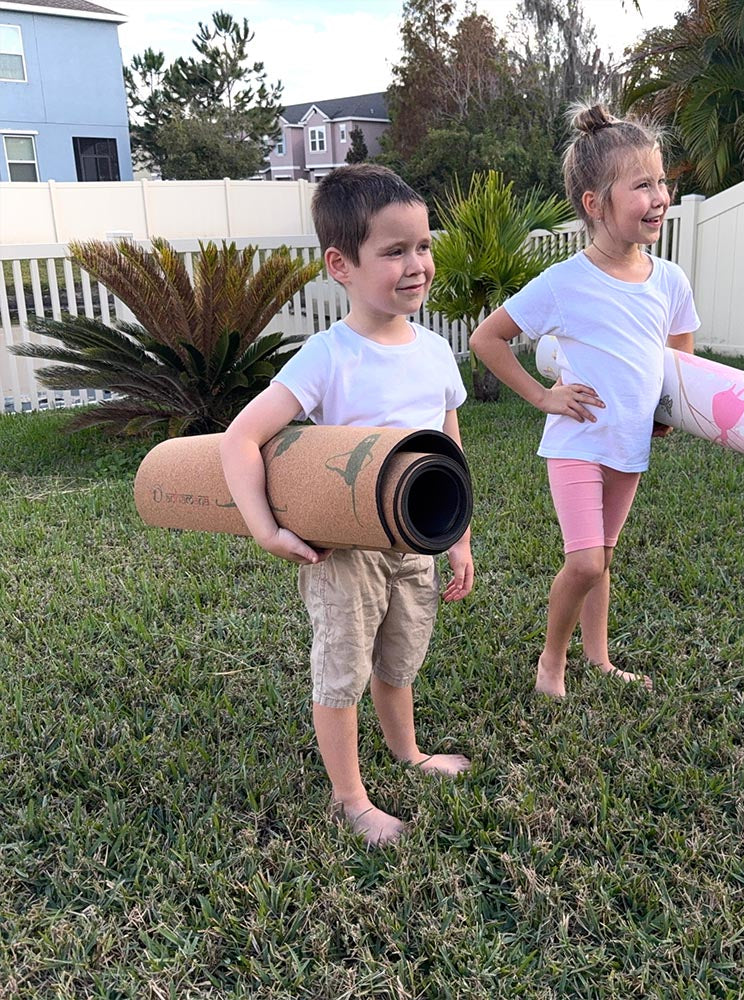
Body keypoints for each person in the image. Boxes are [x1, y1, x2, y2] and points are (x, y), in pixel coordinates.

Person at [220, 164, 474, 846]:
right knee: (344, 669)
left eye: (423, 245)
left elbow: (447, 442)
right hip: (346, 553)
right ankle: (349, 797)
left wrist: (459, 535)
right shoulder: (328, 357)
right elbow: (242, 438)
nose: (416, 264)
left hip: (415, 543)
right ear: (342, 264)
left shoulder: (435, 351)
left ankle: (408, 752)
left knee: (401, 657)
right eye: (394, 251)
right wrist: (266, 528)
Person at [469, 103, 699, 699]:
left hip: (629, 444)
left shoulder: (669, 281)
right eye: (642, 185)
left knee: (606, 556)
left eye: (662, 182)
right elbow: (486, 340)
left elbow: (681, 361)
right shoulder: (564, 282)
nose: (660, 197)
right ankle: (552, 662)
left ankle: (598, 659)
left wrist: (666, 413)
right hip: (578, 440)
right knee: (587, 561)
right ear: (595, 203)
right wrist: (544, 396)